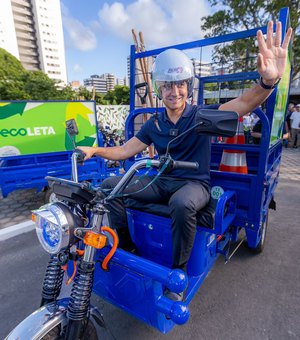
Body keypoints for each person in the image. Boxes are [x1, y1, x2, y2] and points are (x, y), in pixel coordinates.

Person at [79, 22, 292, 301]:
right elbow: (125, 150)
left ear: (188, 86)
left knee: (181, 203)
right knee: (110, 185)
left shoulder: (201, 116)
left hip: (194, 184)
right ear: (159, 89)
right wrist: (96, 151)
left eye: (179, 84)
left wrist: (267, 81)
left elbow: (244, 103)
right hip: (161, 181)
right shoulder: (154, 123)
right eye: (167, 85)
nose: (174, 91)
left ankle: (176, 273)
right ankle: (128, 248)